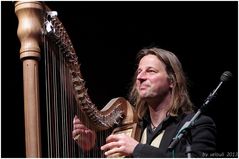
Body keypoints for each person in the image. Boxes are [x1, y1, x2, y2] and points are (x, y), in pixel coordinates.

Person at [72, 47, 216, 157]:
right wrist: (91, 147)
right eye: (139, 71)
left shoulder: (197, 125)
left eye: (151, 71)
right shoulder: (133, 127)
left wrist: (137, 149)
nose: (140, 77)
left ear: (172, 81)